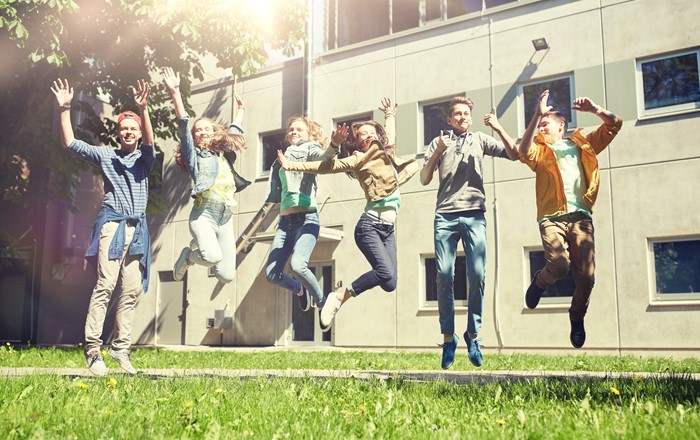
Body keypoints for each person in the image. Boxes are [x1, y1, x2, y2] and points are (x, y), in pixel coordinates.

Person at [277, 98, 419, 331]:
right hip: (369, 227)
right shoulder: (356, 160)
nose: (368, 136)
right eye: (362, 134)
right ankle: (339, 296)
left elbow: (390, 136)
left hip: (388, 229)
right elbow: (324, 167)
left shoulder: (387, 153)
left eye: (371, 132)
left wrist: (390, 115)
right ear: (357, 142)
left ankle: (340, 295)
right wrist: (292, 166)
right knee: (384, 271)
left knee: (390, 282)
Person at [50, 78, 156, 376]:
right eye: (124, 128)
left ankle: (120, 348)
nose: (129, 132)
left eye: (133, 128)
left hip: (139, 231)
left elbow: (150, 140)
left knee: (132, 290)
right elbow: (70, 143)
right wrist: (64, 108)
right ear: (118, 132)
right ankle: (93, 349)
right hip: (113, 225)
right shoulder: (107, 155)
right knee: (105, 285)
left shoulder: (145, 160)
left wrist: (143, 109)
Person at [519, 89, 622, 349]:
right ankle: (540, 282)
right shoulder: (540, 151)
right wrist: (535, 115)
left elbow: (614, 124)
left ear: (561, 125)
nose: (541, 128)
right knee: (559, 266)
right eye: (539, 124)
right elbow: (522, 149)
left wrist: (596, 109)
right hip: (551, 217)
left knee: (587, 277)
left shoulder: (582, 144)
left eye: (545, 123)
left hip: (580, 218)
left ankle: (577, 316)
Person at [420, 97, 518, 370]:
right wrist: (439, 150)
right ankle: (449, 338)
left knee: (477, 274)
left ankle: (472, 335)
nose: (462, 117)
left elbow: (515, 154)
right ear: (450, 120)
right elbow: (424, 178)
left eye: (466, 113)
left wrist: (498, 127)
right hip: (445, 215)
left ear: (471, 118)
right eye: (457, 114)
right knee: (443, 275)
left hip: (475, 214)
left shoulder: (480, 139)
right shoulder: (439, 142)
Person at [162, 67, 251, 284]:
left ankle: (198, 245)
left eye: (206, 129)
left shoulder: (223, 152)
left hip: (225, 216)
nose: (202, 132)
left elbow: (234, 132)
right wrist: (175, 92)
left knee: (227, 275)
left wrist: (241, 110)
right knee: (211, 257)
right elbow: (183, 124)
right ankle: (188, 256)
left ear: (214, 132)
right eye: (198, 130)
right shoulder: (193, 156)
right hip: (204, 214)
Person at [264, 116, 342, 321]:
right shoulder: (281, 159)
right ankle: (299, 289)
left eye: (299, 129)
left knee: (298, 265)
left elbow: (324, 157)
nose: (293, 132)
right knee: (272, 274)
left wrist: (334, 145)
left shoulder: (309, 149)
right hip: (284, 224)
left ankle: (323, 303)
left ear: (309, 134)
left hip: (306, 220)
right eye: (291, 129)